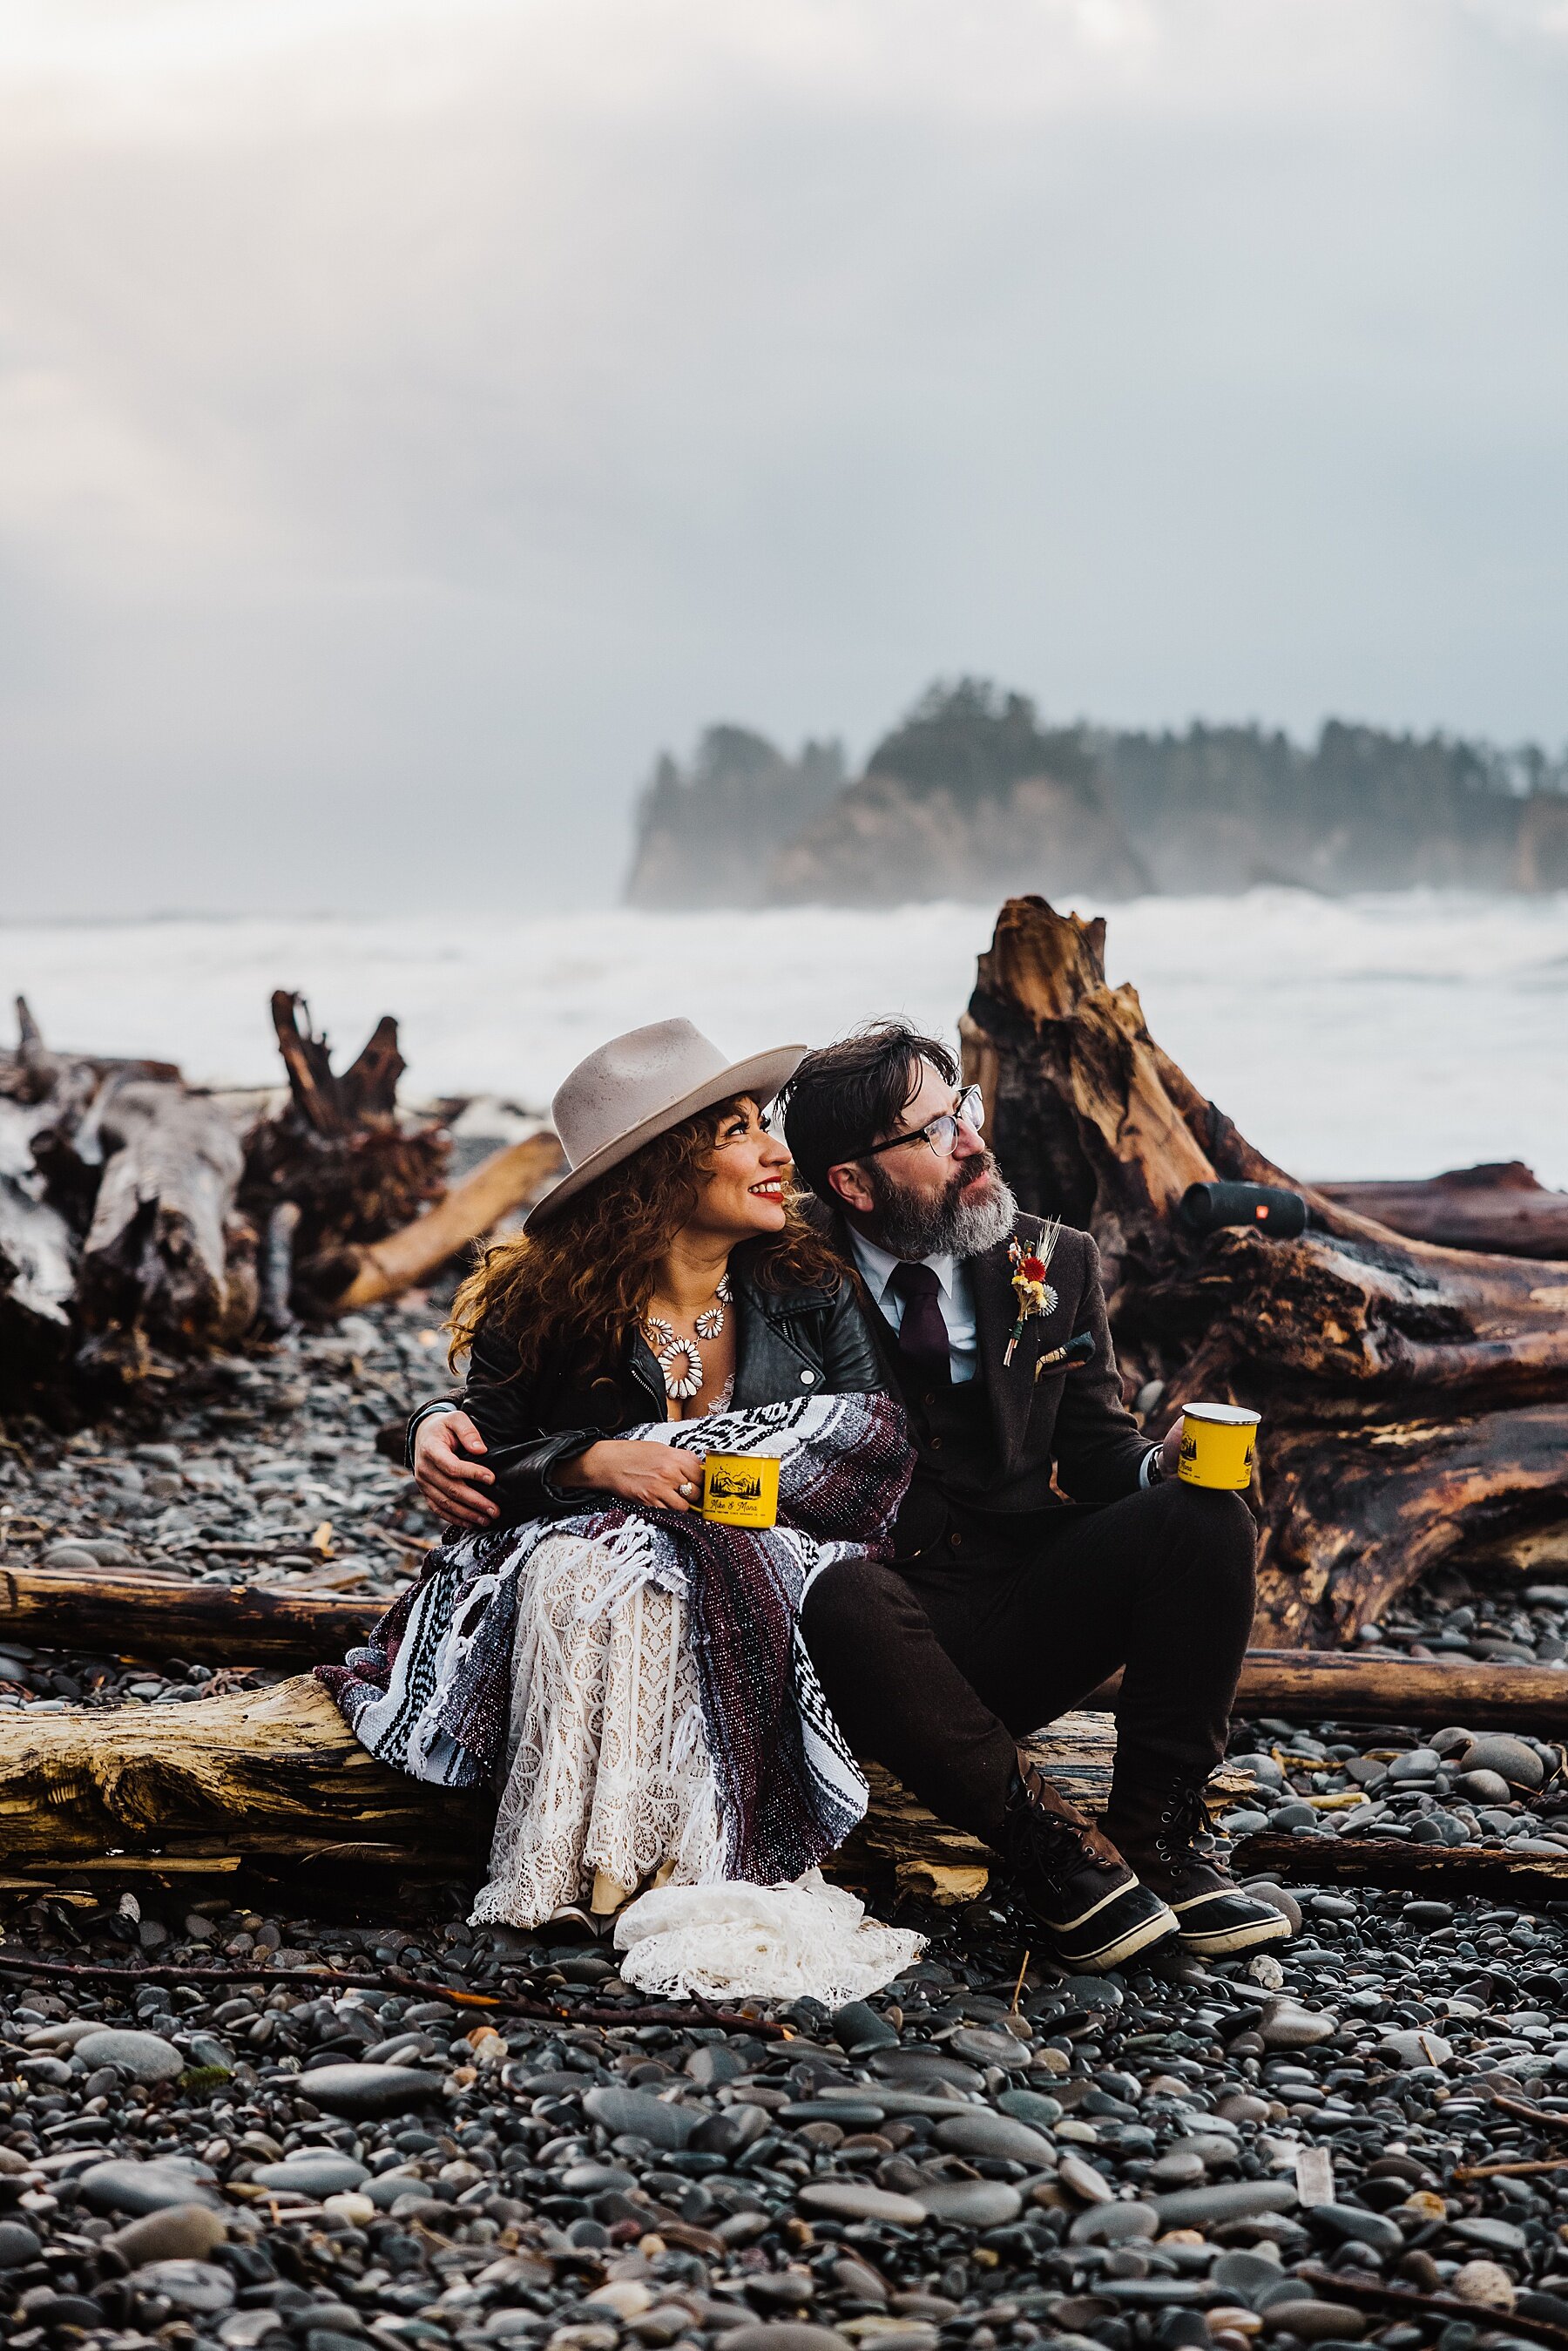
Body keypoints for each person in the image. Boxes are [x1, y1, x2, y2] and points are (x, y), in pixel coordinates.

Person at [346, 1018, 909, 1939]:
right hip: (594, 1571)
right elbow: (480, 1465)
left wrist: (715, 1506)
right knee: (583, 1575)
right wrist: (589, 1460)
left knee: (673, 1573)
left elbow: (866, 1453)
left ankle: (693, 1860)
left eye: (761, 1122)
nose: (776, 1151)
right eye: (737, 1133)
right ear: (659, 1171)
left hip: (784, 1563)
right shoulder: (544, 1304)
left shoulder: (815, 1287)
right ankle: (586, 1864)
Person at [773, 1020, 1291, 1969]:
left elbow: (1098, 1451)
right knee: (840, 1592)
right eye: (933, 1131)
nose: (972, 1138)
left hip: (1020, 1606)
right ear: (850, 1182)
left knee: (1207, 1519)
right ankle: (1052, 1854)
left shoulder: (1056, 1258)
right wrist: (440, 1420)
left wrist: (1159, 1465)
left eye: (961, 1106)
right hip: (871, 1639)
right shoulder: (776, 1274)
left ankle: (1156, 1841)